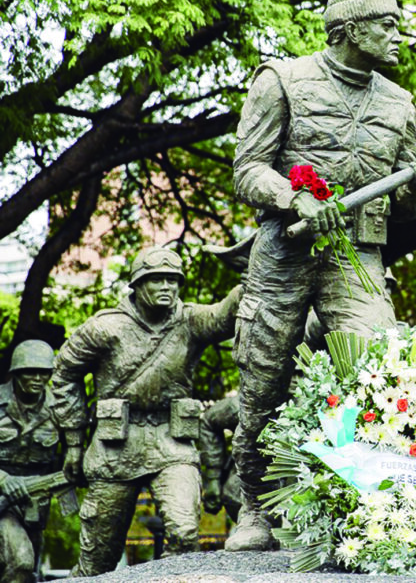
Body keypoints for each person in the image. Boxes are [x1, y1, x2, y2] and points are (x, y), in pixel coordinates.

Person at [228, 0, 416, 551]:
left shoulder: (399, 104)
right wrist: (292, 196)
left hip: (359, 253)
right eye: (387, 24)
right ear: (349, 29)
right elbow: (247, 168)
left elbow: (407, 205)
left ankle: (373, 500)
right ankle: (254, 506)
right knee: (264, 377)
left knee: (379, 367)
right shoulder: (283, 81)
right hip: (285, 250)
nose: (399, 35)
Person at [51, 247, 242, 576]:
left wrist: (249, 284)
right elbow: (64, 375)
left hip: (171, 443)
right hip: (115, 449)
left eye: (173, 280)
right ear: (137, 285)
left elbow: (224, 317)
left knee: (184, 534)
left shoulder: (190, 321)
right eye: (157, 280)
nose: (167, 287)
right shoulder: (105, 328)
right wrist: (73, 441)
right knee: (98, 560)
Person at [0, 340, 62, 583]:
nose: (37, 378)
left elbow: (73, 456)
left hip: (37, 502)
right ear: (15, 373)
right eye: (30, 371)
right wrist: (4, 480)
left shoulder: (61, 408)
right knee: (21, 562)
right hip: (4, 498)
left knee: (29, 569)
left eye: (43, 372)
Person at [198, 395, 242, 523]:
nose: (295, 380)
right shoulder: (246, 405)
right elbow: (209, 421)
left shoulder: (303, 402)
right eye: (292, 375)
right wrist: (213, 478)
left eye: (300, 374)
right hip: (245, 493)